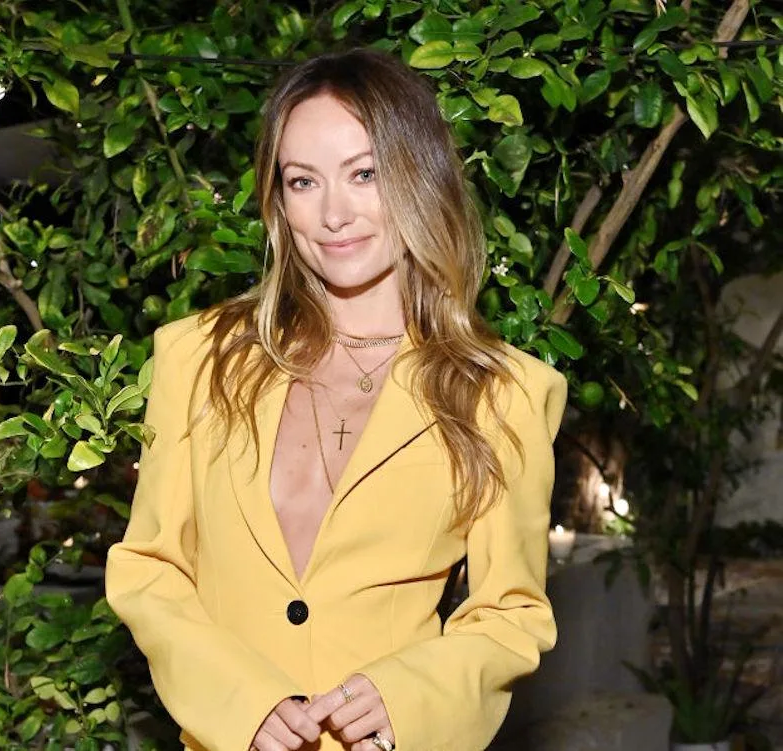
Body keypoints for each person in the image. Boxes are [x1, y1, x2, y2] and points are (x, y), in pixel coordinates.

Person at [105, 48, 567, 751]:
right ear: (278, 201)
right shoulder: (199, 359)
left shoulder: (502, 393)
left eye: (364, 173)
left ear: (419, 177)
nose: (333, 214)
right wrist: (239, 702)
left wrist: (405, 697)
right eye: (303, 181)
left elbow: (511, 615)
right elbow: (149, 568)